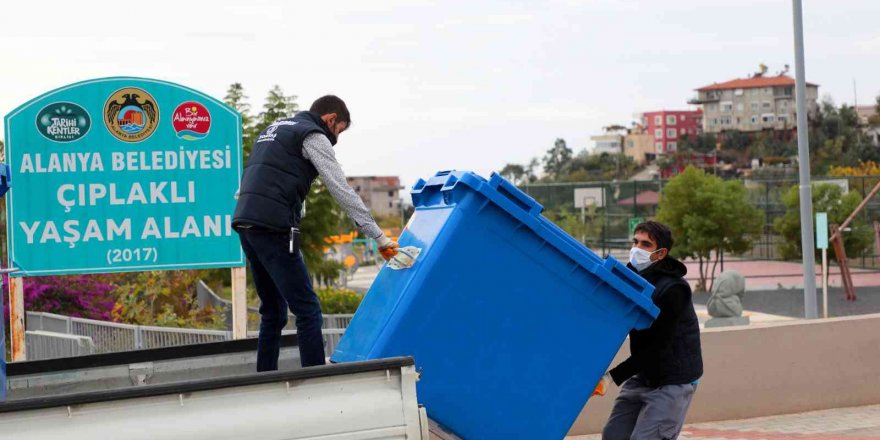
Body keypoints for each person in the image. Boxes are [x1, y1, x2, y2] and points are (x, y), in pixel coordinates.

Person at [232, 95, 399, 371]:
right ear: (330, 119)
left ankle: (263, 380)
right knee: (308, 310)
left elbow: (257, 182)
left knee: (272, 312)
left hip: (245, 223)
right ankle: (314, 380)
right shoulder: (313, 135)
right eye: (339, 131)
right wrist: (378, 236)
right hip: (274, 228)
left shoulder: (273, 131)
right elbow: (340, 188)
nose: (337, 139)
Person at [595, 220, 703, 440]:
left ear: (660, 253)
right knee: (613, 436)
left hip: (673, 380)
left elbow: (657, 348)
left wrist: (611, 377)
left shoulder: (674, 290)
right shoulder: (631, 279)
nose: (637, 249)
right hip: (644, 375)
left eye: (645, 244)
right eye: (635, 242)